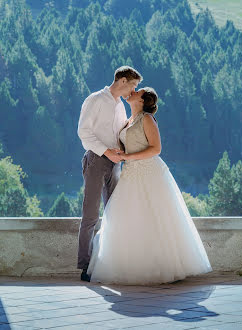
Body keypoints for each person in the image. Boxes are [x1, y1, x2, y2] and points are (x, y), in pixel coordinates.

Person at [87, 87, 213, 285]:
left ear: (142, 100)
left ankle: (162, 266)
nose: (133, 91)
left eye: (138, 91)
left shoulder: (147, 119)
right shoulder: (128, 120)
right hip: (130, 173)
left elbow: (156, 148)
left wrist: (128, 156)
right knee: (128, 216)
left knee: (155, 215)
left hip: (148, 171)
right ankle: (132, 265)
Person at [77, 66, 143, 281]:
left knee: (115, 213)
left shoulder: (120, 106)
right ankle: (85, 267)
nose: (132, 91)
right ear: (122, 81)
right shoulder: (95, 99)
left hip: (115, 163)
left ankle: (112, 262)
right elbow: (83, 133)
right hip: (96, 161)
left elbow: (118, 133)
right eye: (132, 85)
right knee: (90, 215)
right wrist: (107, 151)